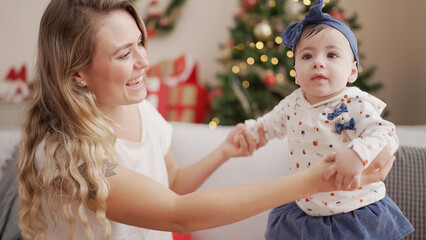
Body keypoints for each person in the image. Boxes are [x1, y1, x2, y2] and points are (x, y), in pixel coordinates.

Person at [16, 0, 394, 239]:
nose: (145, 62)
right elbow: (179, 216)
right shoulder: (66, 155)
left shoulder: (139, 109)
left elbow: (174, 185)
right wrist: (319, 179)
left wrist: (224, 152)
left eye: (141, 44)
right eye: (124, 53)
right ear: (78, 71)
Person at [244, 0, 414, 239]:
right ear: (295, 71)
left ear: (352, 71)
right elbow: (268, 126)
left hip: (354, 213)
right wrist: (250, 133)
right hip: (303, 211)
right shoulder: (292, 103)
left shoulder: (356, 103)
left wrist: (358, 153)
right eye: (306, 56)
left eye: (332, 54)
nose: (318, 62)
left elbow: (386, 134)